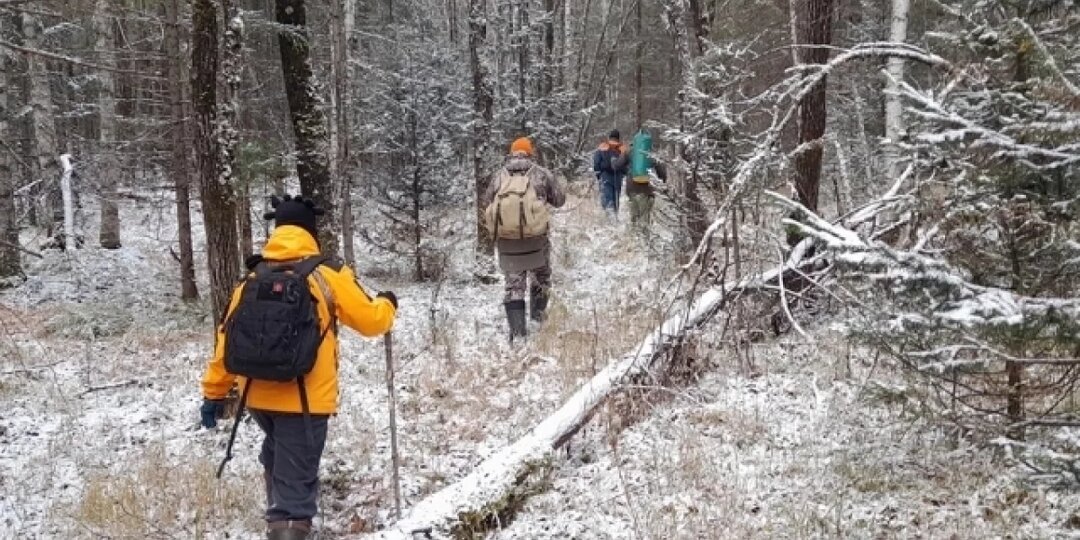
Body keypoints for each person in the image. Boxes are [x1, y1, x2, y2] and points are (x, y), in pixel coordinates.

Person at [199, 194, 397, 540]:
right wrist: (387, 304)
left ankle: (279, 517)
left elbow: (225, 340)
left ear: (277, 230)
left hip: (256, 396)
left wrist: (213, 392)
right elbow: (371, 322)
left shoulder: (253, 276)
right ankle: (286, 526)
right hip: (305, 399)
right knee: (293, 494)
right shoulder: (327, 273)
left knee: (277, 454)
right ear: (310, 230)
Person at [482, 137, 566, 342]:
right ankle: (537, 321)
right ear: (530, 153)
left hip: (507, 242)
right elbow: (559, 200)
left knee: (513, 286)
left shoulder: (499, 176)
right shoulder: (541, 174)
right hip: (536, 240)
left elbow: (486, 202)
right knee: (541, 278)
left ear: (512, 153)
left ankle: (518, 334)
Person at [625, 128, 667, 233]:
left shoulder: (629, 152)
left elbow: (617, 165)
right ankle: (644, 238)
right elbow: (661, 171)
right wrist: (662, 182)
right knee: (645, 217)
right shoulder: (651, 153)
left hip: (631, 189)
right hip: (646, 190)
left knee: (634, 217)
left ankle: (634, 238)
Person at [593, 129, 629, 219]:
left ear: (609, 137)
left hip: (605, 176)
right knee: (615, 200)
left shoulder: (602, 147)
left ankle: (609, 220)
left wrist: (599, 176)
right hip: (618, 178)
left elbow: (596, 163)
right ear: (618, 138)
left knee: (607, 200)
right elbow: (627, 165)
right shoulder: (623, 148)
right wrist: (623, 174)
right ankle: (615, 218)